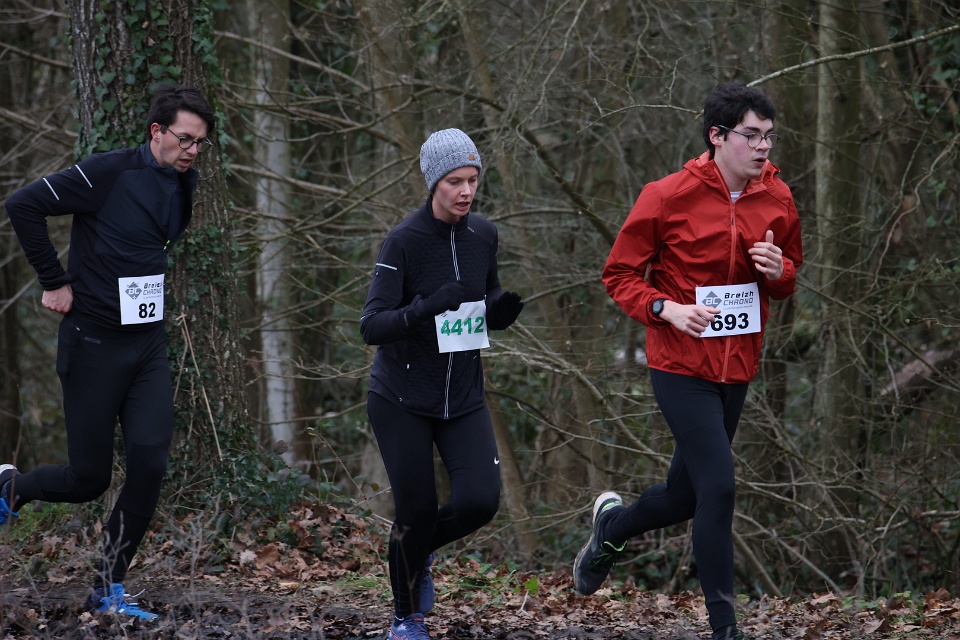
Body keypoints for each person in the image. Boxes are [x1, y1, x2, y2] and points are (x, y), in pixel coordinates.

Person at [572, 82, 803, 640]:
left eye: (769, 136)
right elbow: (618, 274)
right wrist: (666, 308)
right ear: (717, 136)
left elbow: (787, 277)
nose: (763, 146)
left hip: (737, 367)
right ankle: (725, 627)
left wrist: (779, 271)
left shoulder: (778, 198)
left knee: (685, 496)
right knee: (719, 486)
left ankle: (611, 530)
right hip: (679, 365)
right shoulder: (667, 195)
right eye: (752, 135)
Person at [1, 83, 216, 621]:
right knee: (88, 479)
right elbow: (23, 204)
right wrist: (54, 280)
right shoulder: (108, 172)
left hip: (147, 346)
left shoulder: (184, 184)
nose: (192, 151)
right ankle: (10, 486)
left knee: (149, 463)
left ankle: (107, 587)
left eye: (200, 143)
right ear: (156, 131)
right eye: (184, 139)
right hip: (93, 344)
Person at [360, 128, 524, 640]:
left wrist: (498, 311)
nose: (466, 191)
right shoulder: (404, 241)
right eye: (455, 181)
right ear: (433, 182)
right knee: (416, 511)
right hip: (402, 397)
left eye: (473, 179)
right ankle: (404, 619)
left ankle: (419, 549)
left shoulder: (484, 235)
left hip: (463, 395)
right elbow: (372, 325)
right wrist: (427, 307)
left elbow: (486, 294)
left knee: (480, 502)